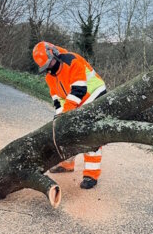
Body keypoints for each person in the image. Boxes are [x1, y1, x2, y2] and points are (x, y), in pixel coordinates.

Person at [32, 41, 107, 189]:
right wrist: (61, 117)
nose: (50, 68)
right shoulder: (49, 76)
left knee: (90, 136)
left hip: (94, 96)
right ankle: (67, 163)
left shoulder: (72, 61)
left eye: (50, 63)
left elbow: (79, 89)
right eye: (46, 66)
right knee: (67, 132)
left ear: (53, 53)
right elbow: (57, 99)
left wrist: (66, 113)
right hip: (75, 100)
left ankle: (91, 175)